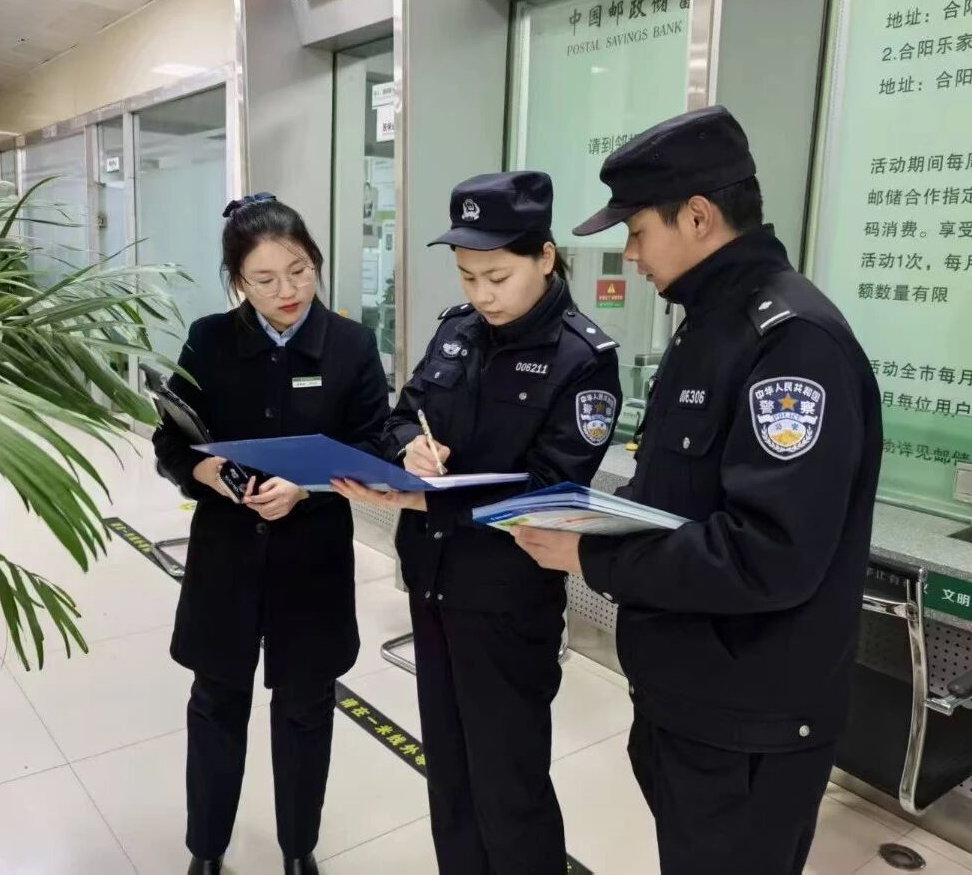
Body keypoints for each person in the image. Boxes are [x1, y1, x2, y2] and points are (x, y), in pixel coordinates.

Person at [512, 107, 883, 875]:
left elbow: (768, 555)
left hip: (749, 723)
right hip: (692, 700)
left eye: (637, 229)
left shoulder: (791, 342)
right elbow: (679, 502)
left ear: (699, 216)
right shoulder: (709, 326)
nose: (630, 253)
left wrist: (591, 557)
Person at [332, 171, 622, 875]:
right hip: (432, 583)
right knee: (451, 775)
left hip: (505, 599)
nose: (482, 294)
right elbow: (401, 415)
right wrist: (409, 447)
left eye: (497, 276)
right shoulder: (456, 332)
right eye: (468, 277)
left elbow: (551, 491)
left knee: (508, 783)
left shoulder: (583, 361)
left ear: (545, 258)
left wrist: (428, 501)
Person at [152, 193, 390, 875]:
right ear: (237, 280)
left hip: (312, 559)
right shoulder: (209, 340)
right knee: (216, 701)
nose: (286, 291)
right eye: (264, 279)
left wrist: (306, 486)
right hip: (227, 553)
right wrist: (206, 470)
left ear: (315, 261)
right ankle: (206, 849)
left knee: (306, 706)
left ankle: (298, 848)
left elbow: (373, 443)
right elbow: (171, 439)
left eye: (299, 270)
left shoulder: (351, 345)